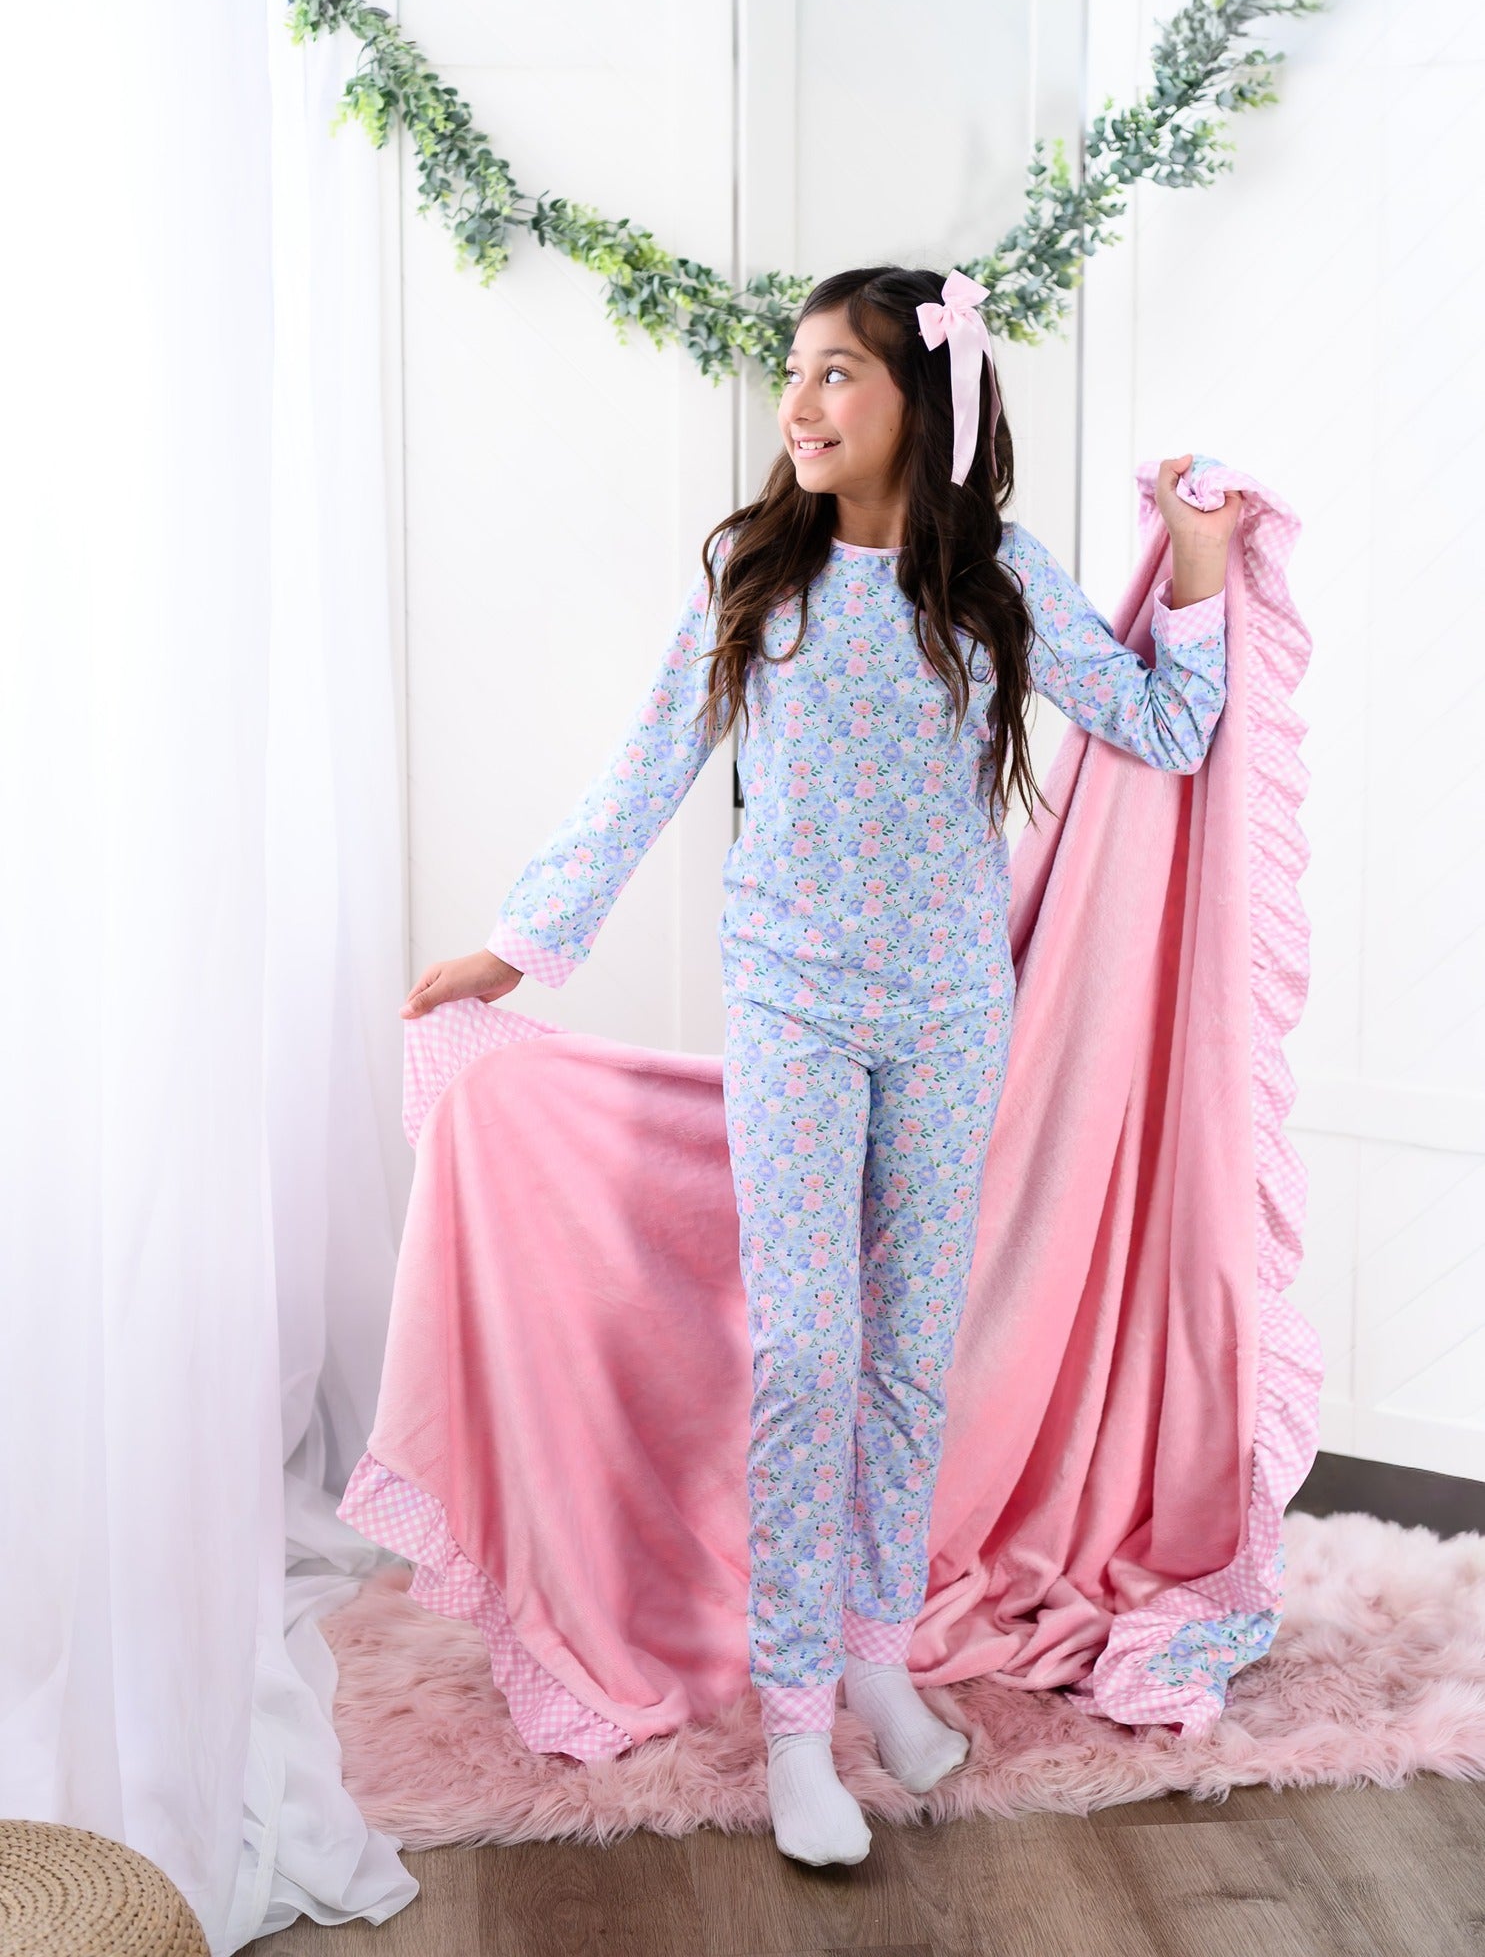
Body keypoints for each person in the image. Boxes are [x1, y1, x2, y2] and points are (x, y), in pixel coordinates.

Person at [401, 265, 1239, 1867]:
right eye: (793, 371)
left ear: (922, 400)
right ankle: (795, 1723)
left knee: (909, 1356)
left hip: (949, 1011)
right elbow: (648, 764)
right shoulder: (754, 571)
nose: (797, 402)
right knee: (804, 1354)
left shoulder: (995, 579)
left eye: (836, 372)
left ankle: (876, 1657)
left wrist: (1193, 564)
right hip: (791, 1004)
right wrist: (518, 945)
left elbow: (1162, 727)